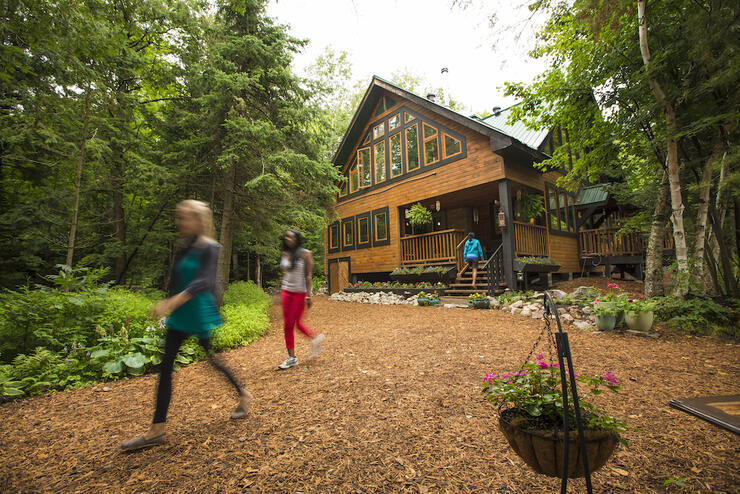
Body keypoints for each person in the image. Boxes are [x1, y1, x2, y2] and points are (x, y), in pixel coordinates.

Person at [121, 200, 251, 451]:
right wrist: (168, 305)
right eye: (179, 217)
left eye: (185, 217)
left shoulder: (210, 247)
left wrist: (171, 302)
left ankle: (244, 395)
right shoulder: (185, 246)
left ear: (199, 219)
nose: (180, 222)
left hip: (198, 311)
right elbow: (177, 280)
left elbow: (203, 281)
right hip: (180, 313)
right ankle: (157, 428)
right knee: (166, 365)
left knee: (212, 360)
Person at [277, 229, 325, 370]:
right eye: (286, 237)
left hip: (299, 293)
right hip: (286, 291)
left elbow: (308, 276)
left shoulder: (306, 254)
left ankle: (315, 338)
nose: (288, 239)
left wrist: (308, 295)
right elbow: (285, 274)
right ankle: (291, 358)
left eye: (291, 237)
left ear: (297, 239)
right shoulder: (285, 254)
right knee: (287, 325)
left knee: (297, 323)